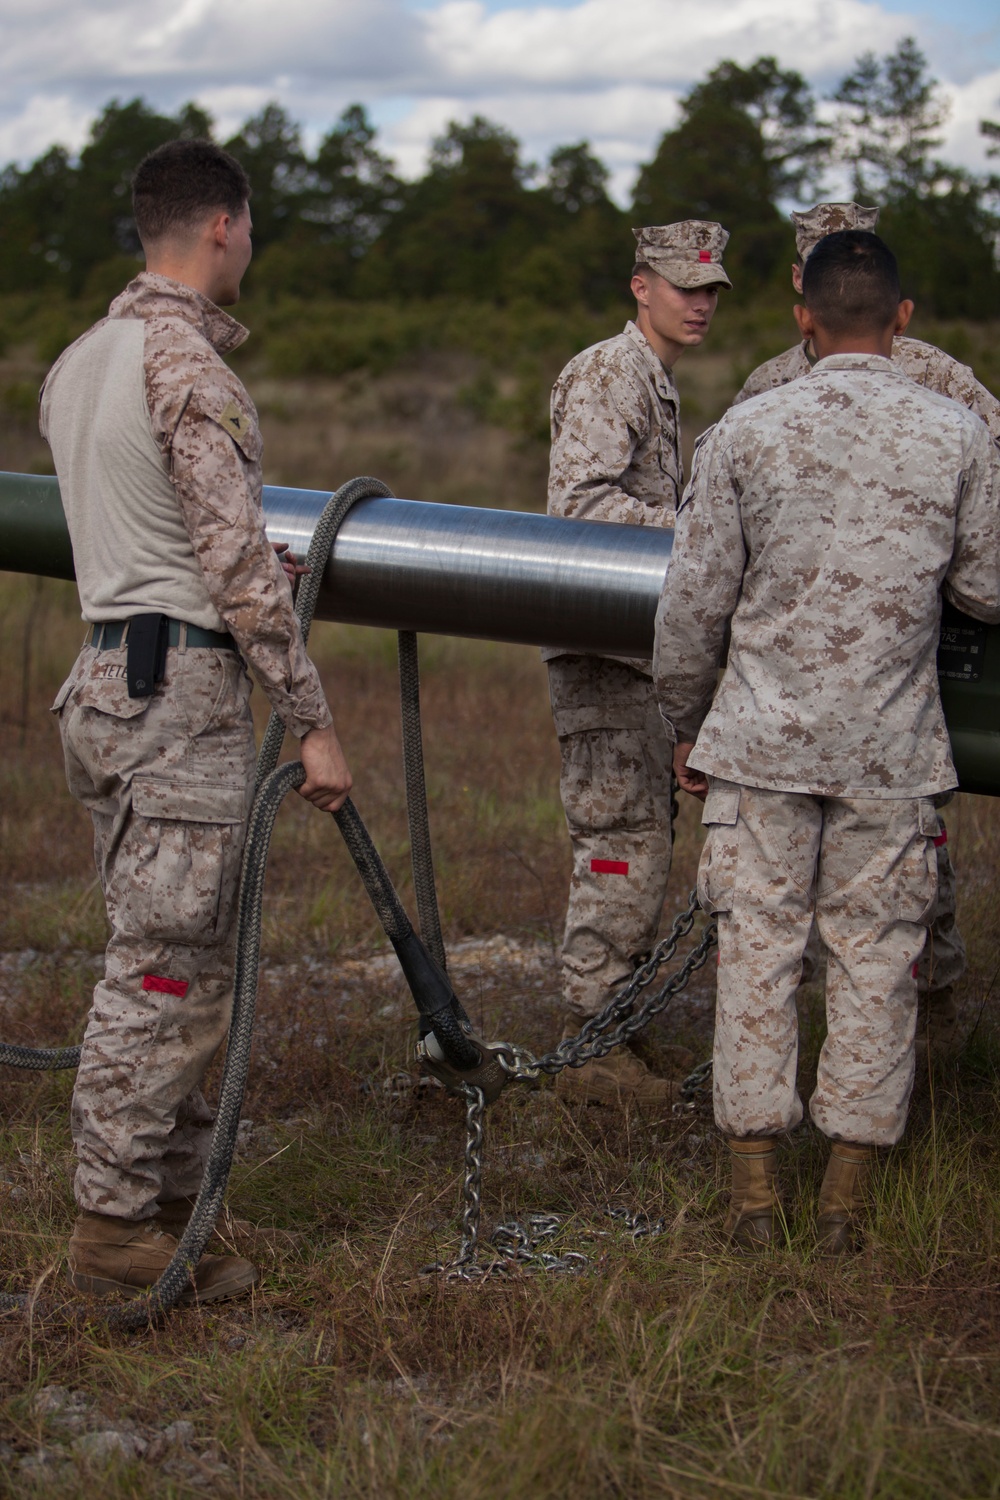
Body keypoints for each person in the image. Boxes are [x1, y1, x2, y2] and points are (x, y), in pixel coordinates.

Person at [40, 139, 352, 1302]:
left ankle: (170, 1212)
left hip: (110, 683)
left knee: (180, 957)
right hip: (181, 699)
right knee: (164, 975)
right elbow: (228, 557)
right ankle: (115, 1229)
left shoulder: (82, 360)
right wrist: (311, 718)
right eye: (252, 228)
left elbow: (140, 527)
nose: (252, 247)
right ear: (222, 225)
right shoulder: (187, 366)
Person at [653, 230, 1000, 1253]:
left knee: (756, 954)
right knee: (875, 958)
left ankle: (755, 1201)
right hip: (890, 754)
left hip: (759, 747)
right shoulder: (958, 434)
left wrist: (687, 725)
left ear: (801, 317)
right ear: (901, 320)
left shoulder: (745, 430)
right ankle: (845, 1204)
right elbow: (986, 587)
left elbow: (691, 605)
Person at [735, 202, 1000, 1066]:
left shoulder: (943, 383)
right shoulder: (769, 387)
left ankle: (937, 1016)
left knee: (893, 909)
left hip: (869, 697)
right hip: (854, 715)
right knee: (833, 929)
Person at [544, 221, 731, 1105]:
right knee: (618, 845)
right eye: (682, 284)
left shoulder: (651, 383)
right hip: (600, 656)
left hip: (635, 657)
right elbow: (579, 508)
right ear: (640, 287)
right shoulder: (609, 373)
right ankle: (590, 1045)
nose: (699, 301)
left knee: (642, 843)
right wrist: (703, 534)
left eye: (711, 288)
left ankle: (612, 1024)